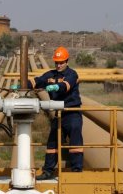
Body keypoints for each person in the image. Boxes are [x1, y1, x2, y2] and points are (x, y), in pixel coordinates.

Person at [30, 46, 83, 180]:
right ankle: (48, 171)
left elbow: (66, 86)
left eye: (61, 62)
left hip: (72, 112)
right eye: (57, 62)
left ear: (67, 61)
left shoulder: (72, 74)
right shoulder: (50, 75)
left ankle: (76, 170)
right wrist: (22, 84)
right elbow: (37, 81)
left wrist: (55, 87)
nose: (59, 65)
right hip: (58, 114)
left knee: (75, 141)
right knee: (53, 142)